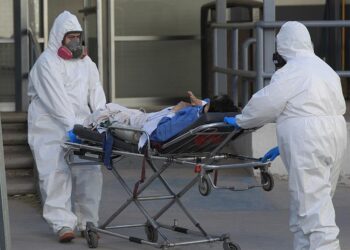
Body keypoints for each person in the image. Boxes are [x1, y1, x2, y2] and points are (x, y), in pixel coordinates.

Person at [224, 21, 347, 250]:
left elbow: (265, 104)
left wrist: (241, 120)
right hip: (335, 134)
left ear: (283, 46)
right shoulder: (325, 69)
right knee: (316, 201)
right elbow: (319, 110)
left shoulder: (292, 71)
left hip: (307, 138)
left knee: (312, 208)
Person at [27, 11, 106, 243]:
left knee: (89, 171)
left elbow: (97, 93)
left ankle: (88, 222)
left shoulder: (86, 63)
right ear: (59, 38)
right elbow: (56, 102)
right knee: (54, 174)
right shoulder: (47, 63)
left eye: (77, 36)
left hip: (81, 124)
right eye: (69, 36)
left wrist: (101, 120)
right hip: (49, 125)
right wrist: (77, 127)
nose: (74, 42)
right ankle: (62, 224)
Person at [83, 91, 238, 148]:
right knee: (113, 107)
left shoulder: (189, 119)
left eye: (208, 102)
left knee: (103, 112)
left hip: (143, 128)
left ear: (209, 108)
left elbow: (159, 134)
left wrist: (175, 110)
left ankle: (80, 133)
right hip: (148, 119)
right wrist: (200, 104)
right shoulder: (205, 118)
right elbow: (208, 106)